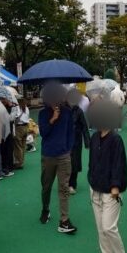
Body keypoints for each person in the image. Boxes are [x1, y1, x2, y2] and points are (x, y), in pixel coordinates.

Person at [88, 122, 127, 253]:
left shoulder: (116, 139)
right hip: (95, 189)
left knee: (108, 227)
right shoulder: (94, 138)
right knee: (101, 228)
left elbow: (119, 164)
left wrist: (115, 186)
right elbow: (92, 162)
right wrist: (91, 179)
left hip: (111, 192)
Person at [38, 85, 78, 234]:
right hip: (48, 155)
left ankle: (64, 220)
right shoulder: (43, 114)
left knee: (63, 188)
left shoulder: (67, 112)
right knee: (46, 186)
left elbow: (71, 133)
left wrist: (68, 149)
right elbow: (43, 133)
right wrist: (53, 119)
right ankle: (45, 209)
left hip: (63, 156)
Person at [12, 98, 31, 169]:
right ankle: (22, 161)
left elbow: (14, 117)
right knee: (23, 146)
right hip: (25, 127)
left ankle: (18, 163)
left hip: (19, 128)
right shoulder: (26, 108)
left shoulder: (17, 108)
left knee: (18, 146)